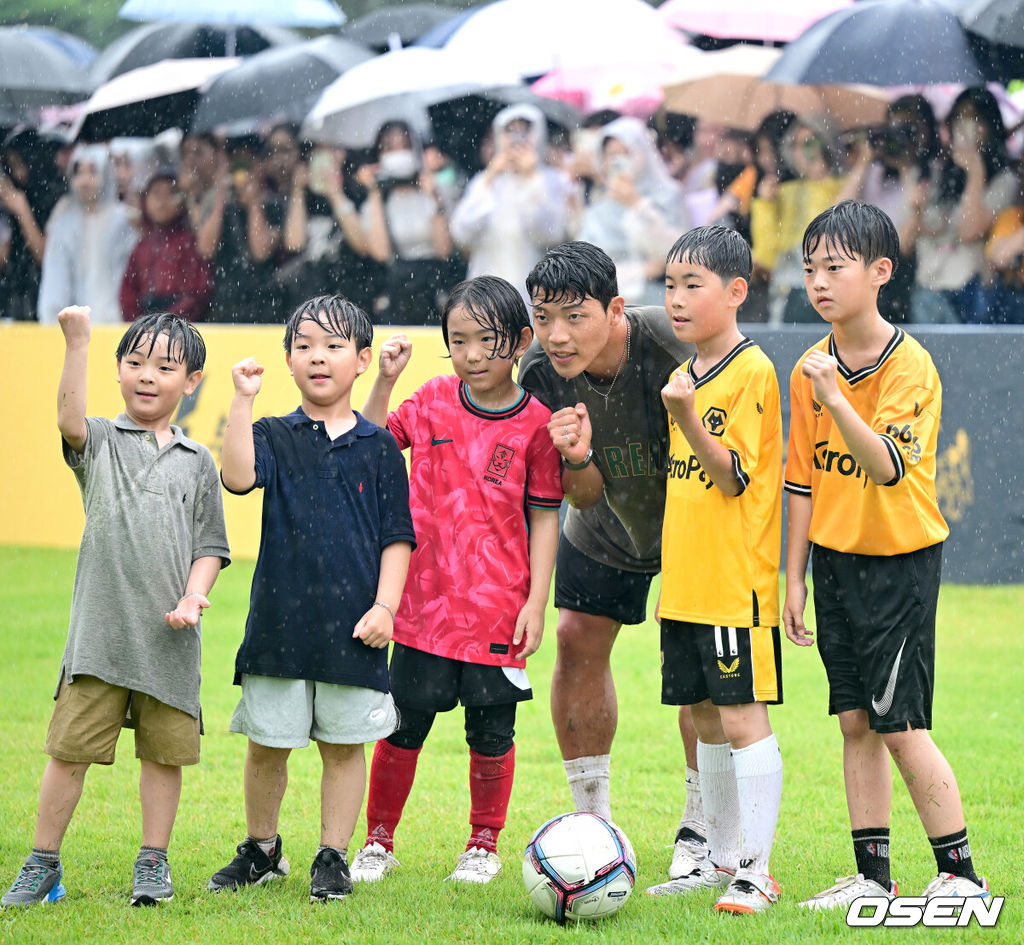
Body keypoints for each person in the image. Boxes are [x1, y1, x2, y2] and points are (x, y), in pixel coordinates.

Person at [784, 200, 991, 909]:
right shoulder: (813, 366)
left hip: (898, 564)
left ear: (879, 272)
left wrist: (837, 401)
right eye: (809, 267)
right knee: (854, 721)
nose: (818, 281)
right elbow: (801, 481)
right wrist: (795, 577)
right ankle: (871, 874)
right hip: (835, 564)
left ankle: (961, 874)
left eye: (834, 267)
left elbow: (886, 468)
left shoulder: (911, 367)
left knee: (901, 723)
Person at [0, 307, 229, 908]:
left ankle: (153, 862)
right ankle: (42, 862)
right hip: (99, 638)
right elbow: (68, 419)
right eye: (133, 363)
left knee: (163, 757)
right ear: (117, 370)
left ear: (193, 380)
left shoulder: (198, 462)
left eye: (164, 366)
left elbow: (210, 546)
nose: (147, 376)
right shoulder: (100, 440)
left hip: (170, 644)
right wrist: (76, 342)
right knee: (68, 752)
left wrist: (194, 594)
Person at [349, 275, 562, 884]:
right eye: (457, 341)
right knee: (404, 724)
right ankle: (379, 842)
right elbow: (370, 447)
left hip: (498, 609)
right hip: (420, 605)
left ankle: (482, 845)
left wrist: (536, 602)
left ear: (521, 341)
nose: (470, 356)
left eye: (485, 342)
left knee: (492, 730)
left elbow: (545, 517)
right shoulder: (433, 398)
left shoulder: (538, 425)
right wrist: (385, 380)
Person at [208, 295, 415, 902]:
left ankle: (333, 855)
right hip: (279, 624)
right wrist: (242, 400)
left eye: (332, 346)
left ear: (361, 361)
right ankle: (263, 849)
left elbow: (397, 536)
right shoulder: (274, 433)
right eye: (304, 346)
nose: (317, 357)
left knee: (346, 749)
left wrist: (385, 607)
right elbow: (239, 477)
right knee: (268, 744)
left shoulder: (379, 447)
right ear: (289, 362)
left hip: (355, 627)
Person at [519, 241, 707, 883]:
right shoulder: (541, 374)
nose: (557, 335)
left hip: (696, 525)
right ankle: (591, 823)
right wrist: (575, 457)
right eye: (543, 317)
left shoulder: (677, 343)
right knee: (574, 641)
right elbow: (583, 492)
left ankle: (700, 829)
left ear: (617, 309)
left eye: (574, 316)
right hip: (603, 526)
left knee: (696, 669)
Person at [642, 226, 783, 914]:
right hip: (686, 582)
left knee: (739, 714)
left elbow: (732, 479)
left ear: (735, 292)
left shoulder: (751, 370)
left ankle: (757, 870)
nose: (675, 298)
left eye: (692, 284)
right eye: (669, 284)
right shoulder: (684, 375)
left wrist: (690, 419)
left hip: (735, 581)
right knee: (700, 714)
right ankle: (718, 859)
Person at [450, 104, 572, 305]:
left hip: (536, 292)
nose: (517, 139)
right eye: (510, 132)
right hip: (487, 291)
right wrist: (491, 177)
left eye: (525, 131)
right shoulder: (484, 180)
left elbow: (551, 234)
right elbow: (461, 233)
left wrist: (531, 179)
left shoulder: (554, 179)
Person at [913, 87, 1016, 324]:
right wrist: (917, 208)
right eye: (959, 116)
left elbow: (970, 231)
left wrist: (975, 170)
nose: (965, 126)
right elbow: (927, 229)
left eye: (975, 118)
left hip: (970, 289)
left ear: (991, 126)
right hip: (928, 286)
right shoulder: (938, 172)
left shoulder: (1006, 180)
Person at [355, 121, 455, 325]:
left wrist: (434, 197)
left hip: (435, 293)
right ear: (379, 154)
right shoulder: (377, 202)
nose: (399, 153)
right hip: (398, 296)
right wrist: (374, 192)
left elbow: (444, 249)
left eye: (405, 145)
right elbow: (381, 253)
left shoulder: (436, 191)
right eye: (390, 147)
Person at [578, 116, 684, 307]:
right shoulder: (599, 209)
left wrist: (636, 204)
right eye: (612, 154)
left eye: (626, 152)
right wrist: (642, 271)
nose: (619, 161)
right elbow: (587, 269)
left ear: (643, 152)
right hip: (613, 308)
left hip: (662, 306)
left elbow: (678, 254)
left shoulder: (669, 195)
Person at [37, 145, 136, 325]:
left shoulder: (124, 220)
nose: (85, 180)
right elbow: (56, 275)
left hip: (118, 321)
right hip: (76, 326)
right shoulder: (64, 223)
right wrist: (52, 318)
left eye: (92, 171)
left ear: (105, 175)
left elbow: (131, 273)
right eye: (79, 172)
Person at [119, 171, 213, 322]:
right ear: (145, 200)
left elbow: (198, 293)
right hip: (145, 323)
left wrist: (168, 321)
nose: (162, 201)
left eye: (170, 194)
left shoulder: (189, 242)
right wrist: (138, 321)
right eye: (156, 194)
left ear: (181, 202)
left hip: (179, 327)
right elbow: (127, 292)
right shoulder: (141, 246)